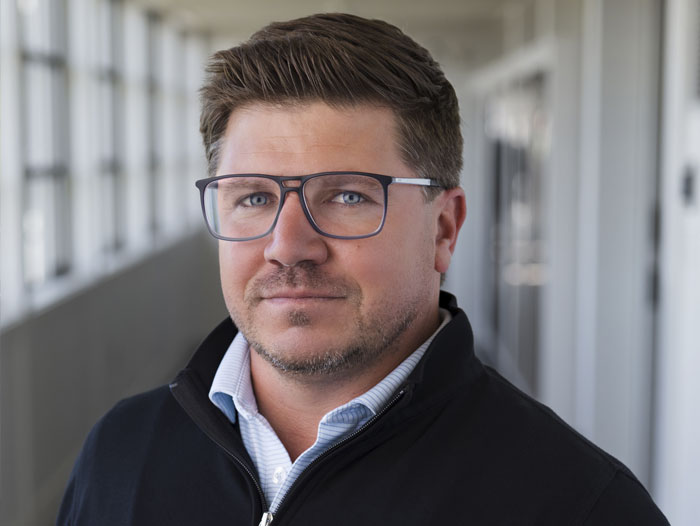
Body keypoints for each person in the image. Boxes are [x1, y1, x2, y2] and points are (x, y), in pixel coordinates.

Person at [57, 13, 668, 526]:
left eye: (347, 196)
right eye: (254, 197)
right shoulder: (120, 454)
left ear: (443, 228)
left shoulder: (579, 505)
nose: (288, 246)